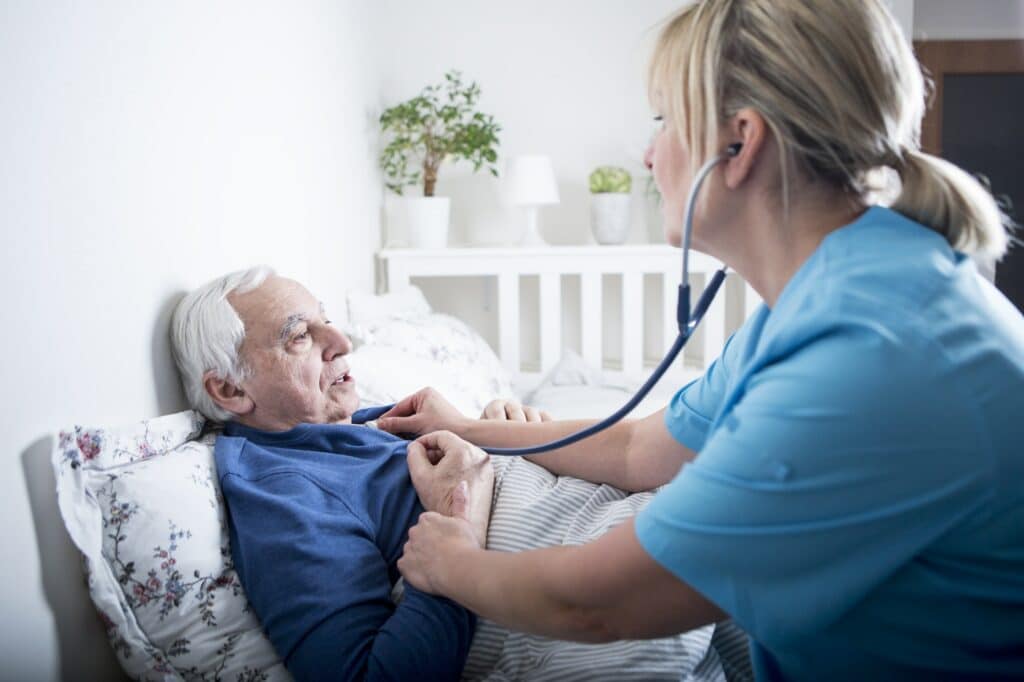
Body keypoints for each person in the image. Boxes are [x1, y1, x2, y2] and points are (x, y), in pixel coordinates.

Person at [389, 1, 1024, 679]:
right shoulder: (840, 293)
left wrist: (453, 560)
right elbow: (641, 451)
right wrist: (468, 427)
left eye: (662, 120)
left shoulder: (866, 354)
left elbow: (595, 607)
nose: (648, 152)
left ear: (739, 142)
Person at [170, 267, 731, 682]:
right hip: (649, 606)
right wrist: (460, 517)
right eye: (300, 336)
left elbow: (629, 454)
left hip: (682, 546)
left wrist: (509, 434)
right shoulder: (283, 494)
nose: (342, 343)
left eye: (330, 323)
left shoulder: (367, 420)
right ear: (230, 389)